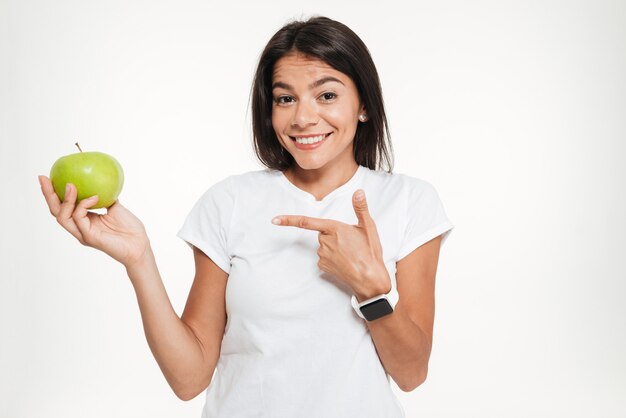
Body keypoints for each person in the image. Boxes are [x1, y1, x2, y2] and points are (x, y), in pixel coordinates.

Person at [39, 16, 453, 418]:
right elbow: (188, 379)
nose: (303, 118)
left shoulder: (410, 201)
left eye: (327, 95)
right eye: (285, 98)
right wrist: (138, 259)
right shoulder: (231, 200)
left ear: (363, 105)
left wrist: (371, 289)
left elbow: (412, 373)